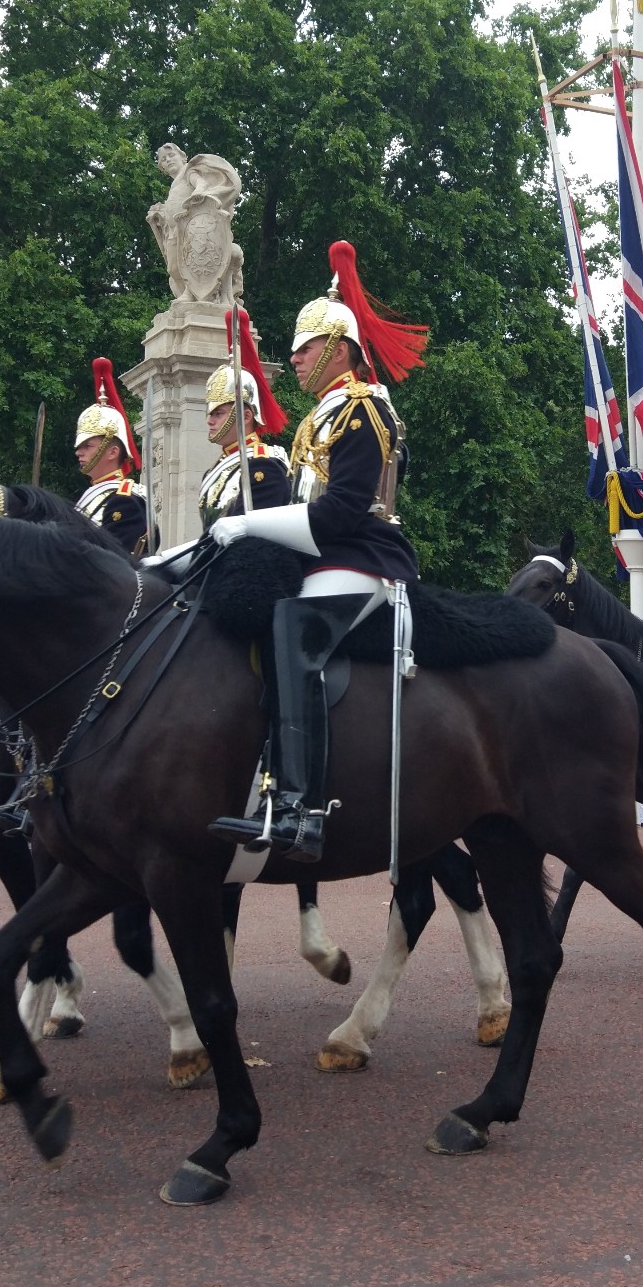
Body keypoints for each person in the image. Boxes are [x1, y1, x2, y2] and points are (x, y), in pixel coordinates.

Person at [206, 239, 427, 862]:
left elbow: (340, 513)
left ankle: (299, 806)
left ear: (337, 347)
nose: (294, 360)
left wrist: (250, 525)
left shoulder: (361, 408)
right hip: (326, 562)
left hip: (363, 561)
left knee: (290, 628)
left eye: (304, 348)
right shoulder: (318, 419)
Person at [196, 309, 292, 527]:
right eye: (210, 414)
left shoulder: (264, 463)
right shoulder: (214, 471)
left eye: (218, 413)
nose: (210, 421)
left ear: (246, 415)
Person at [71, 355, 152, 555]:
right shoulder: (89, 496)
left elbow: (117, 560)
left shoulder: (126, 498)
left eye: (87, 445)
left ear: (112, 451)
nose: (78, 452)